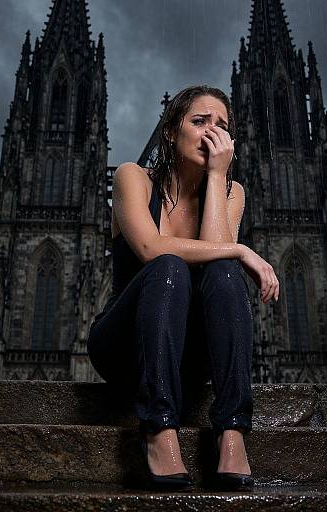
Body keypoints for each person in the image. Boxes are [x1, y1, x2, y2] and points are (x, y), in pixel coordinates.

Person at [86, 85, 280, 491]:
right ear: (171, 131)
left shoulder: (232, 192)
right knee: (169, 265)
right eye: (199, 121)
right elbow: (150, 247)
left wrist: (216, 176)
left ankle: (232, 431)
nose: (212, 133)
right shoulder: (132, 178)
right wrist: (243, 247)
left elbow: (217, 254)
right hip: (125, 348)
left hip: (191, 357)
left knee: (224, 272)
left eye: (222, 125)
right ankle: (158, 428)